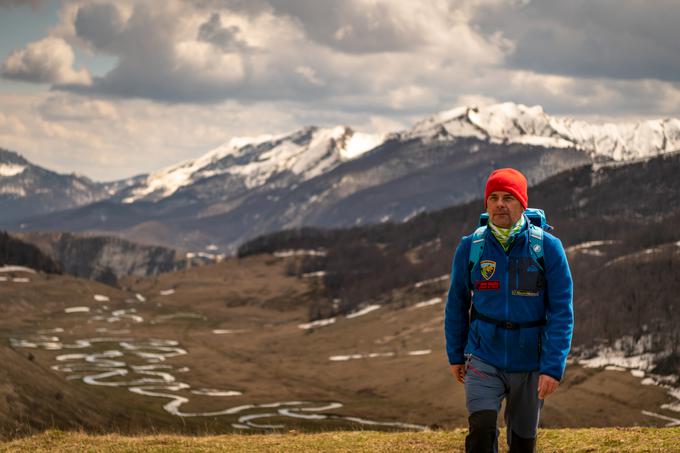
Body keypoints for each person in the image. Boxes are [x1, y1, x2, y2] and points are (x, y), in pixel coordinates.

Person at [444, 168, 573, 453]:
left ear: (522, 203)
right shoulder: (471, 248)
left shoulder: (547, 248)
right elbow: (457, 303)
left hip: (530, 361)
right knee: (481, 429)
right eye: (494, 198)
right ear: (486, 204)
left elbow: (562, 311)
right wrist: (455, 354)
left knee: (523, 442)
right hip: (482, 356)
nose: (500, 204)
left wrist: (552, 368)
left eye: (509, 197)